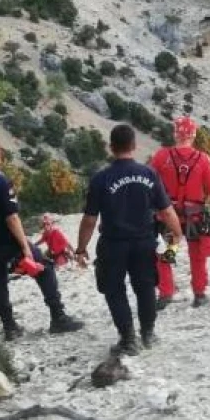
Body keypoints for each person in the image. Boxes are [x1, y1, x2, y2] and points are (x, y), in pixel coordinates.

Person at [0, 136, 84, 341]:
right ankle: (58, 317)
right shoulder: (1, 182)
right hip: (9, 242)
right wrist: (25, 247)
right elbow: (12, 218)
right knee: (45, 269)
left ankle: (10, 327)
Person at [75, 125, 183, 356]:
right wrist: (178, 233)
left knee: (114, 291)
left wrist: (81, 248)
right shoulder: (149, 174)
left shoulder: (100, 179)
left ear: (111, 147)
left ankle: (128, 338)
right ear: (134, 146)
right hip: (144, 241)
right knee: (145, 288)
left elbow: (89, 219)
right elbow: (166, 210)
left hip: (113, 244)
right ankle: (148, 333)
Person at [150, 116, 210, 309]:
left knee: (166, 253)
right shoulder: (203, 159)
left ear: (175, 134)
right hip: (195, 217)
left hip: (169, 216)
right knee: (197, 255)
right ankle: (199, 294)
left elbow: (148, 183)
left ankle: (166, 293)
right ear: (193, 135)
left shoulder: (161, 156)